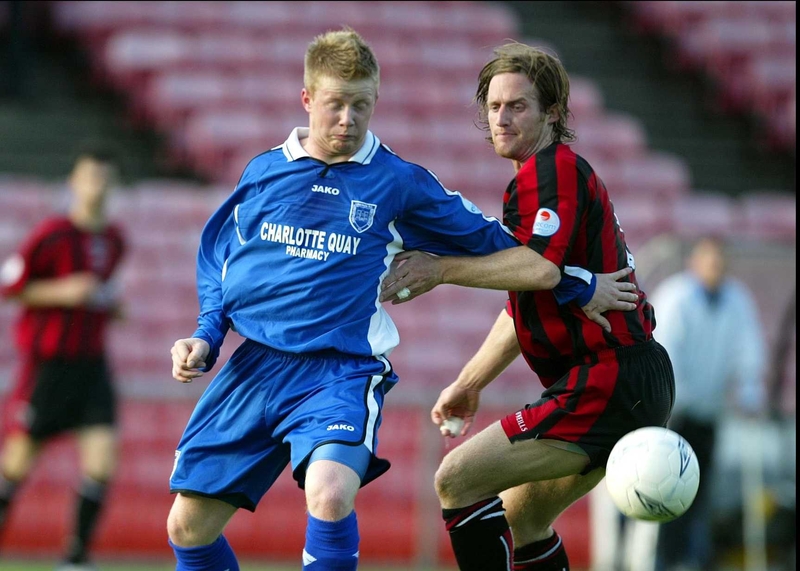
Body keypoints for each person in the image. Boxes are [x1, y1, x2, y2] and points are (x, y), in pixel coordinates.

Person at [165, 28, 638, 571]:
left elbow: (498, 242)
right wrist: (205, 335)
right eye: (336, 105)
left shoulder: (398, 182)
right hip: (253, 368)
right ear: (307, 100)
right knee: (187, 528)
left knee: (330, 492)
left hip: (337, 373)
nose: (348, 119)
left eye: (361, 106)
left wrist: (578, 281)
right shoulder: (264, 172)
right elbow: (220, 263)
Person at [379, 42, 675, 571]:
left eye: (517, 106)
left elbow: (538, 269)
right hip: (626, 380)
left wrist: (440, 267)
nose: (502, 117)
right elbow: (530, 298)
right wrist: (470, 383)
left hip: (608, 379)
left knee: (457, 478)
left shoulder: (550, 169)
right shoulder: (543, 177)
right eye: (493, 107)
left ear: (553, 113)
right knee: (523, 521)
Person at [0, 148, 125, 571]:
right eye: (90, 177)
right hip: (49, 367)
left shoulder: (114, 239)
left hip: (92, 368)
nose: (97, 187)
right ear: (73, 182)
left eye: (105, 178)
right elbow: (11, 286)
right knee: (15, 466)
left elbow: (102, 295)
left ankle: (75, 559)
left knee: (102, 461)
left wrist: (111, 306)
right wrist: (63, 292)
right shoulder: (51, 234)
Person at [647, 236, 767, 571]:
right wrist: (674, 399)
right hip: (672, 415)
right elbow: (665, 349)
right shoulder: (676, 297)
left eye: (720, 261)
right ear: (695, 262)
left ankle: (689, 558)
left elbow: (749, 348)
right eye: (709, 260)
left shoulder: (737, 300)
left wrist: (749, 388)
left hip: (707, 414)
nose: (715, 267)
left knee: (697, 489)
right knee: (662, 488)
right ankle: (658, 559)